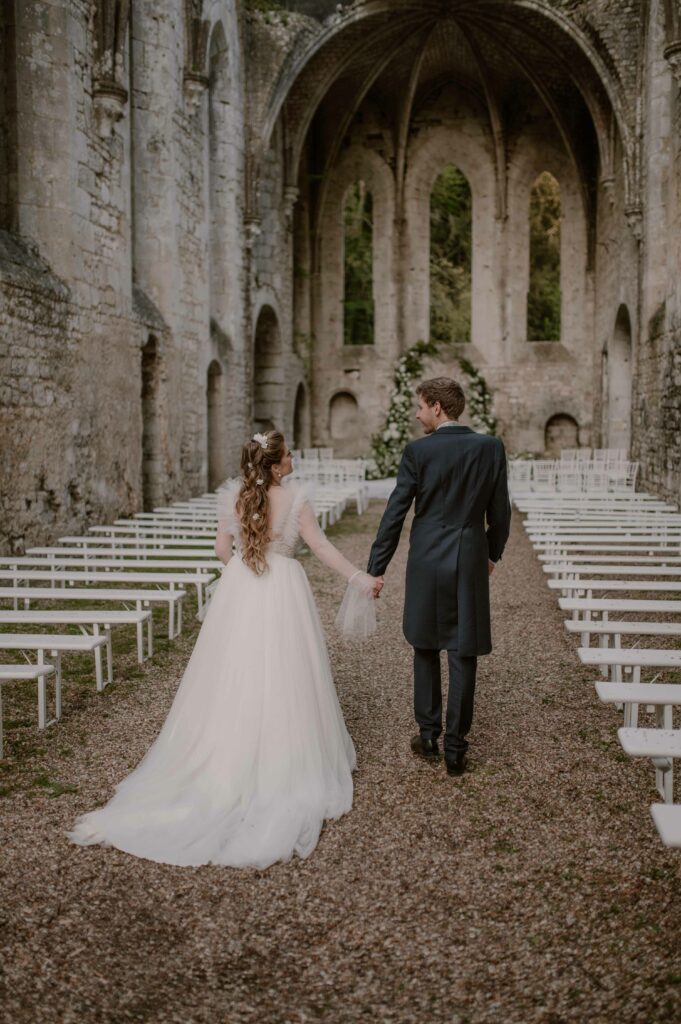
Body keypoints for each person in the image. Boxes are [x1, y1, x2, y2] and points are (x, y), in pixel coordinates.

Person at [68, 431, 380, 869]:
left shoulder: (234, 497)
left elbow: (222, 549)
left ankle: (227, 753)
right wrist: (357, 578)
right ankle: (282, 758)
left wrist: (245, 574)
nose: (294, 458)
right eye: (288, 454)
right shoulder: (296, 499)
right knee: (285, 670)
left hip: (242, 586)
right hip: (283, 589)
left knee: (234, 669)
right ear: (276, 465)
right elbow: (321, 546)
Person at [366, 377, 511, 776]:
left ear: (436, 406)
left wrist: (376, 567)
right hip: (469, 556)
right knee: (463, 649)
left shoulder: (418, 451)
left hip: (427, 559)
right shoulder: (490, 447)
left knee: (426, 644)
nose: (416, 415)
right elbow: (500, 512)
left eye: (420, 406)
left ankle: (428, 735)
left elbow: (395, 513)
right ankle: (456, 748)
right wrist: (491, 553)